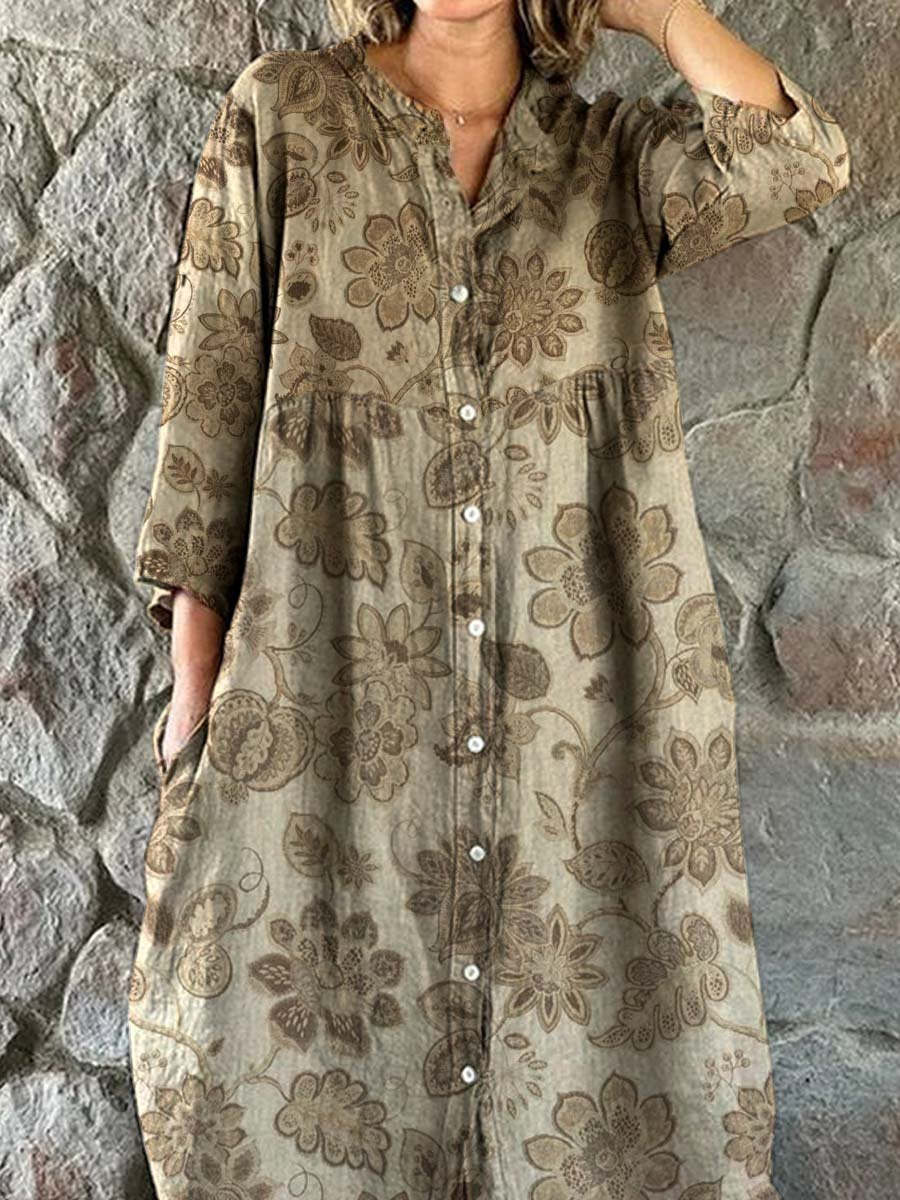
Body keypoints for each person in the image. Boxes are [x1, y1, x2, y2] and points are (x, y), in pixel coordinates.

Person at [128, 2, 850, 1196]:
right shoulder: (286, 114)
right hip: (323, 730)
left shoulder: (611, 157)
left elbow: (803, 158)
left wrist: (656, 11)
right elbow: (210, 406)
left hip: (576, 738)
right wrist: (195, 716)